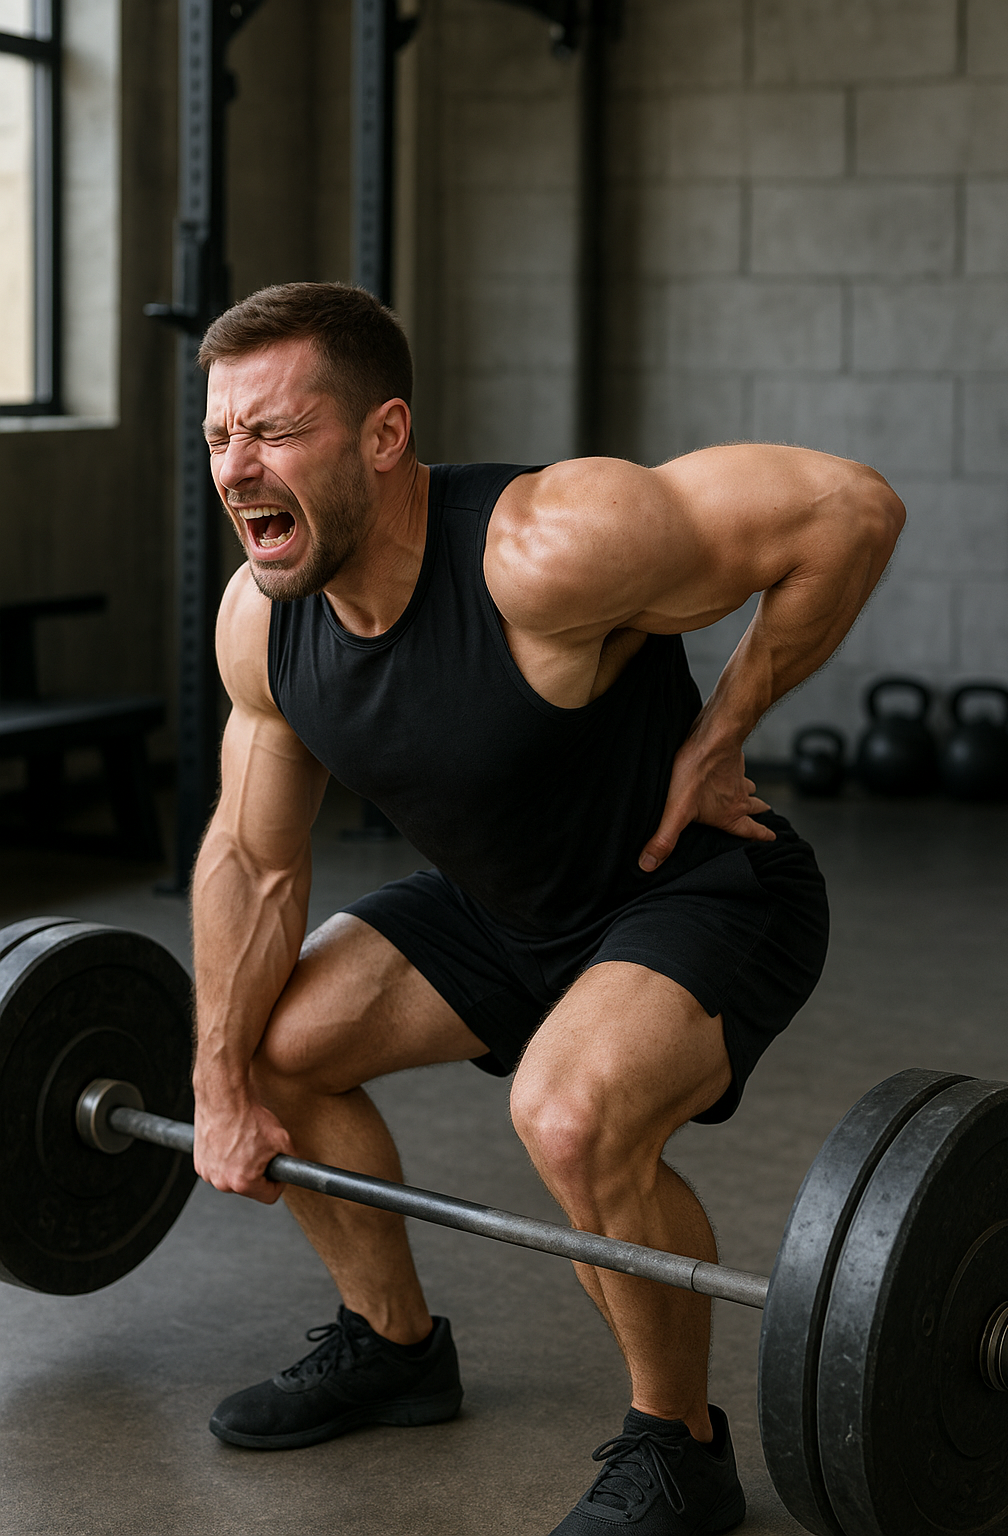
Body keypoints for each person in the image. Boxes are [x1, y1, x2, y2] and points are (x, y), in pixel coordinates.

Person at [190, 281, 903, 1535]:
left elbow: (848, 509)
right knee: (275, 1048)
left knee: (566, 1118)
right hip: (507, 908)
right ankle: (394, 1344)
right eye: (218, 437)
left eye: (275, 431)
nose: (238, 466)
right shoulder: (263, 621)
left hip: (693, 887)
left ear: (384, 435)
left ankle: (677, 1446)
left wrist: (727, 727)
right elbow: (253, 865)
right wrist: (214, 1082)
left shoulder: (544, 548)